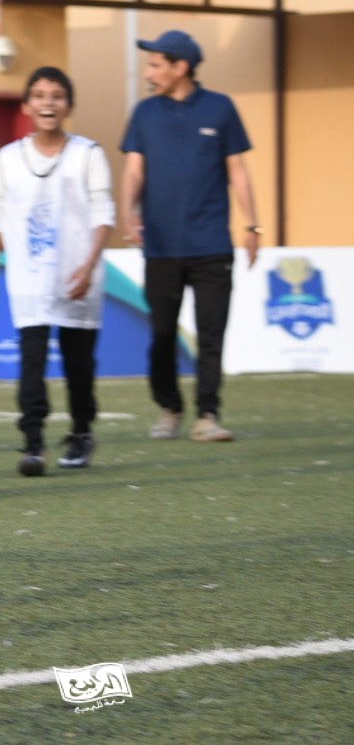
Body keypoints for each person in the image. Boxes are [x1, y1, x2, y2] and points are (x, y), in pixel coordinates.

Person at [120, 29, 259, 443]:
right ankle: (169, 407)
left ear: (181, 67)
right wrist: (128, 213)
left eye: (155, 64)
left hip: (212, 244)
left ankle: (208, 415)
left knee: (211, 334)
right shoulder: (144, 113)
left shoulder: (221, 108)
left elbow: (238, 171)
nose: (148, 72)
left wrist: (252, 225)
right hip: (161, 246)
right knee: (162, 334)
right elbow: (133, 171)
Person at [0, 68, 114, 476]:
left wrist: (89, 265)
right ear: (26, 105)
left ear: (69, 106)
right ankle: (33, 442)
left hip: (78, 276)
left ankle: (80, 433)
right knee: (31, 361)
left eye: (57, 96)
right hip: (30, 278)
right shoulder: (7, 159)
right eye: (39, 95)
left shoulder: (88, 155)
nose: (48, 103)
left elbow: (103, 215)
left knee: (79, 365)